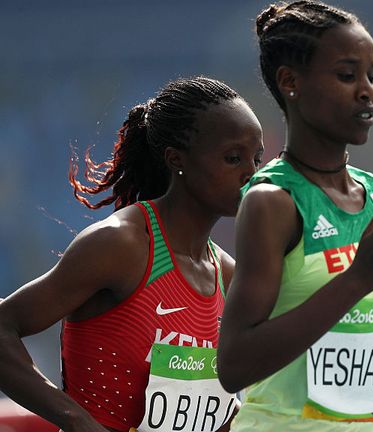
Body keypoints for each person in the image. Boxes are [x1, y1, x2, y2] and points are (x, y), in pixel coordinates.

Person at [216, 1, 373, 431]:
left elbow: (330, 323)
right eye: (347, 75)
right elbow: (235, 364)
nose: (367, 90)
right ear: (291, 82)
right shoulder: (272, 201)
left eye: (372, 75)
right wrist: (358, 277)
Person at [0, 76, 264, 432]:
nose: (252, 174)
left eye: (257, 158)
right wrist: (78, 422)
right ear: (176, 159)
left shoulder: (227, 274)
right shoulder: (120, 246)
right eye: (234, 159)